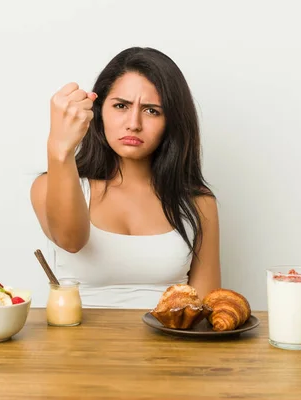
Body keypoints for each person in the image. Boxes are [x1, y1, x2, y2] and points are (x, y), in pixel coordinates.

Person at [30, 47, 221, 309]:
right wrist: (59, 148)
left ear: (172, 122)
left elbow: (206, 309)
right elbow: (70, 241)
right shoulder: (47, 186)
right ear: (98, 111)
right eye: (121, 106)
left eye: (152, 110)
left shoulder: (198, 203)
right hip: (76, 347)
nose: (134, 123)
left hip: (170, 348)